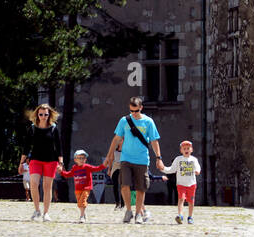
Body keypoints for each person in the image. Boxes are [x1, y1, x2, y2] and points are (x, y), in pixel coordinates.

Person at [104, 96, 162, 224]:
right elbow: (116, 139)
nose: (134, 113)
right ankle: (128, 211)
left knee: (141, 188)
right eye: (131, 111)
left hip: (141, 159)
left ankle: (138, 214)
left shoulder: (148, 122)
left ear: (141, 108)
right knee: (124, 185)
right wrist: (109, 156)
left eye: (136, 111)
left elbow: (154, 141)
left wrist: (159, 158)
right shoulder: (124, 121)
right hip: (126, 158)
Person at [23, 103, 63, 221]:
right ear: (37, 114)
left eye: (46, 114)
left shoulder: (54, 128)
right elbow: (26, 147)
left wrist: (60, 163)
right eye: (41, 114)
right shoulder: (32, 128)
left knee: (47, 187)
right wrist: (21, 163)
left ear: (49, 115)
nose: (43, 116)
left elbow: (59, 146)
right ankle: (37, 210)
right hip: (35, 160)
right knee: (34, 184)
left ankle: (46, 213)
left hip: (51, 161)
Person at [158, 139, 202, 224]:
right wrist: (163, 169)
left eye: (188, 148)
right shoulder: (178, 159)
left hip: (191, 184)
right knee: (181, 199)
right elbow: (172, 169)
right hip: (181, 184)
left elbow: (198, 167)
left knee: (191, 201)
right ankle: (180, 215)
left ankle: (190, 216)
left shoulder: (194, 160)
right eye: (184, 148)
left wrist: (197, 171)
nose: (186, 150)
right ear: (181, 150)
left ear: (191, 150)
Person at [60, 150, 107, 223]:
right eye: (79, 158)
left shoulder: (87, 167)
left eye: (83, 158)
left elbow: (96, 168)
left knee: (82, 201)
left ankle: (81, 217)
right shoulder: (74, 168)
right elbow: (68, 174)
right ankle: (83, 214)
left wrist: (103, 165)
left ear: (85, 159)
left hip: (86, 188)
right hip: (77, 189)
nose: (81, 160)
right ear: (75, 160)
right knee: (79, 203)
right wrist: (61, 172)